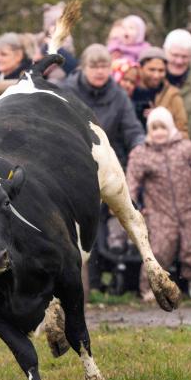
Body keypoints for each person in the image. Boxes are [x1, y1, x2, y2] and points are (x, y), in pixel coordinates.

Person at [61, 44, 145, 293]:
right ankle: (89, 284)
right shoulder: (67, 91)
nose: (99, 72)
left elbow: (132, 128)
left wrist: (140, 146)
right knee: (81, 220)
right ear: (83, 68)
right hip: (73, 161)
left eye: (104, 66)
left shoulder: (118, 95)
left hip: (109, 162)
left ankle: (117, 280)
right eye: (94, 66)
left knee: (116, 218)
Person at [126, 107, 191, 301]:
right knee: (159, 250)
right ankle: (150, 289)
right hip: (159, 211)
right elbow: (132, 182)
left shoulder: (186, 148)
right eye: (154, 128)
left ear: (171, 128)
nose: (159, 133)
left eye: (163, 128)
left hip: (190, 208)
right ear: (148, 130)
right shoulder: (141, 154)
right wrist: (130, 205)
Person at [131, 46, 188, 137]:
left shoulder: (172, 95)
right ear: (140, 69)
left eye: (161, 70)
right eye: (152, 70)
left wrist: (161, 119)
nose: (156, 75)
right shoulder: (129, 91)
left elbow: (183, 132)